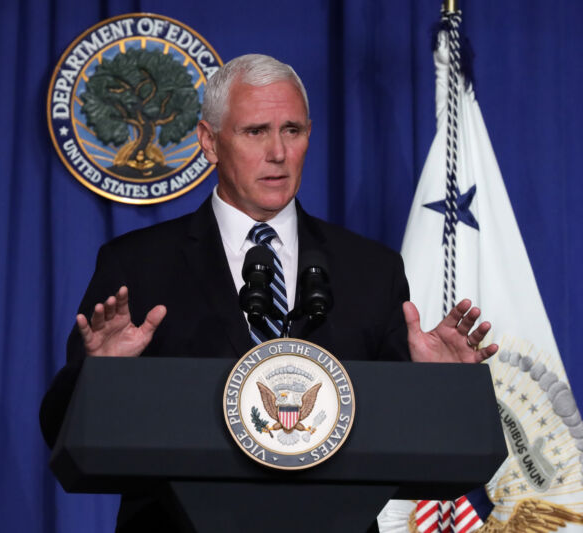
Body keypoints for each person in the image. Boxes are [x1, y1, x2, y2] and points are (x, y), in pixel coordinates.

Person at [40, 54, 497, 532]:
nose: (277, 152)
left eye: (292, 131)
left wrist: (439, 390)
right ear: (209, 142)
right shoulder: (137, 264)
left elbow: (415, 451)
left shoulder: (371, 269)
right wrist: (100, 378)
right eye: (255, 131)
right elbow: (61, 433)